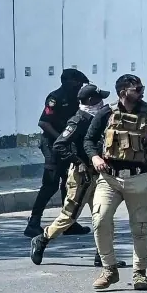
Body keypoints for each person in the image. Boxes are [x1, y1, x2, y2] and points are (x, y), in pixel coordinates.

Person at [85, 74, 147, 291]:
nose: (142, 91)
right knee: (100, 220)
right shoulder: (106, 112)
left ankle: (140, 273)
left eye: (142, 87)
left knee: (140, 227)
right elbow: (88, 139)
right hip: (109, 178)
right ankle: (109, 270)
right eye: (137, 88)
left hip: (139, 177)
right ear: (124, 92)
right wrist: (95, 157)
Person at [30, 82, 109, 267]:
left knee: (103, 214)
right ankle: (41, 240)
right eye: (99, 98)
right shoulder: (78, 120)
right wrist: (77, 161)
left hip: (98, 173)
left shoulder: (98, 119)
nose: (103, 101)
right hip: (82, 176)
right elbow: (59, 145)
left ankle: (103, 255)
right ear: (90, 100)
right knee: (69, 216)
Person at [26, 68, 91, 238]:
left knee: (68, 183)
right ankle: (33, 223)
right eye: (77, 83)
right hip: (52, 144)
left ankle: (68, 222)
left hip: (67, 145)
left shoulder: (78, 98)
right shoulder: (55, 98)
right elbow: (43, 123)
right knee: (51, 183)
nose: (80, 87)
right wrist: (62, 138)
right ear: (68, 82)